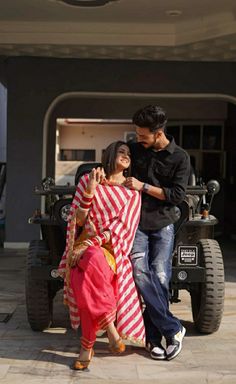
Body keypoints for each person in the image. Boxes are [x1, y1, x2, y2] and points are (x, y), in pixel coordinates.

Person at [58, 141, 145, 370]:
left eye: (129, 153)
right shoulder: (89, 180)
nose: (126, 156)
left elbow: (120, 231)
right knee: (83, 274)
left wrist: (89, 244)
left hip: (110, 251)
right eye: (121, 151)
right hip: (82, 247)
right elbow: (77, 220)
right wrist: (90, 192)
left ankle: (87, 347)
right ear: (109, 155)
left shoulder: (131, 193)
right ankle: (109, 326)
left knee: (86, 268)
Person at [125, 105, 190, 361]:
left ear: (158, 132)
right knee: (140, 272)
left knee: (161, 276)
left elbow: (176, 196)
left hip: (164, 222)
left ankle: (152, 339)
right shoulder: (133, 148)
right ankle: (173, 329)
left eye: (142, 135)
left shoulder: (180, 157)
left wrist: (144, 187)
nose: (138, 138)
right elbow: (115, 164)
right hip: (137, 222)